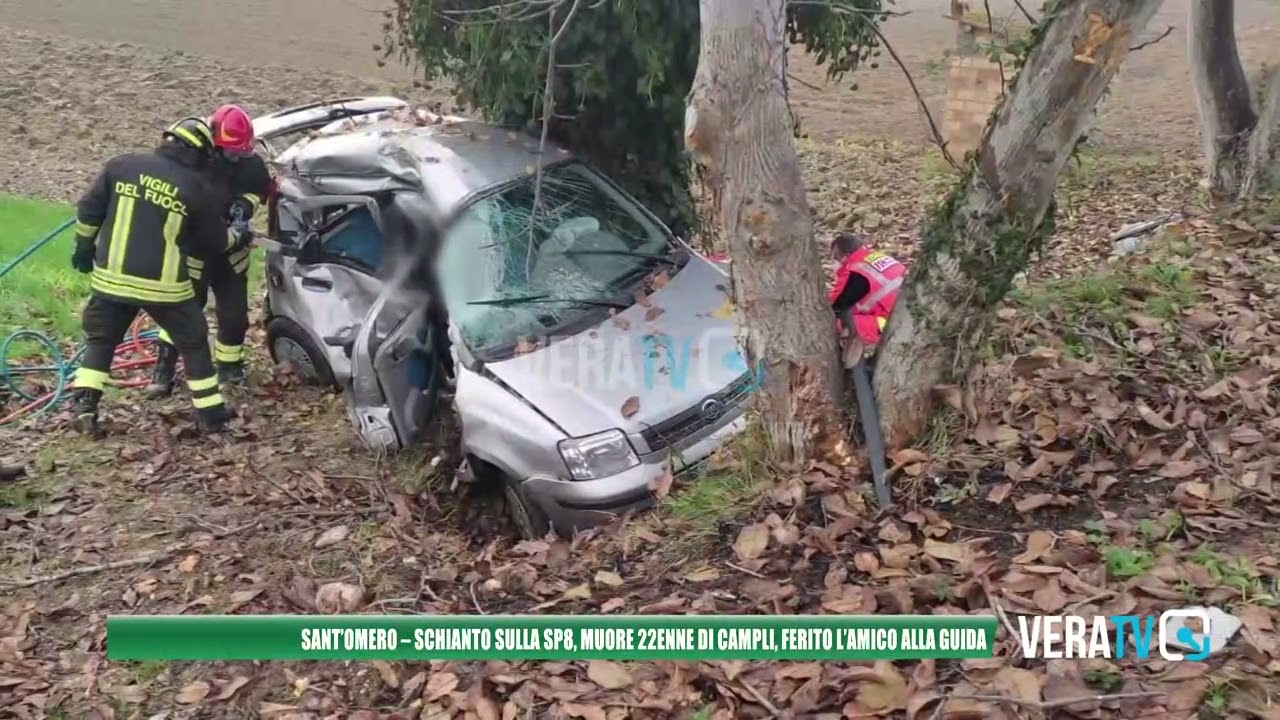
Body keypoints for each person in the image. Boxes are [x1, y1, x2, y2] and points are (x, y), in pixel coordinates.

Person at [69, 117, 250, 436]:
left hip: (111, 279)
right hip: (164, 287)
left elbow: (88, 211)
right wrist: (239, 236)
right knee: (193, 342)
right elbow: (214, 242)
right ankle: (211, 415)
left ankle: (84, 409)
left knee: (101, 342)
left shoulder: (121, 166)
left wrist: (84, 248)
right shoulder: (196, 187)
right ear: (199, 153)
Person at [147, 104, 271, 395]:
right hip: (197, 250)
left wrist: (245, 204)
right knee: (183, 311)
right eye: (230, 152)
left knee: (234, 313)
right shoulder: (194, 161)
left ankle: (229, 367)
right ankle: (163, 370)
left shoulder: (250, 163)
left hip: (232, 253)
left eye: (240, 151)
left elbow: (258, 189)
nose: (236, 157)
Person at [828, 232, 905, 345]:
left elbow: (832, 307)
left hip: (894, 322)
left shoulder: (853, 271)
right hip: (907, 312)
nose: (834, 263)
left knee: (837, 323)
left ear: (847, 256)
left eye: (836, 258)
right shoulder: (876, 257)